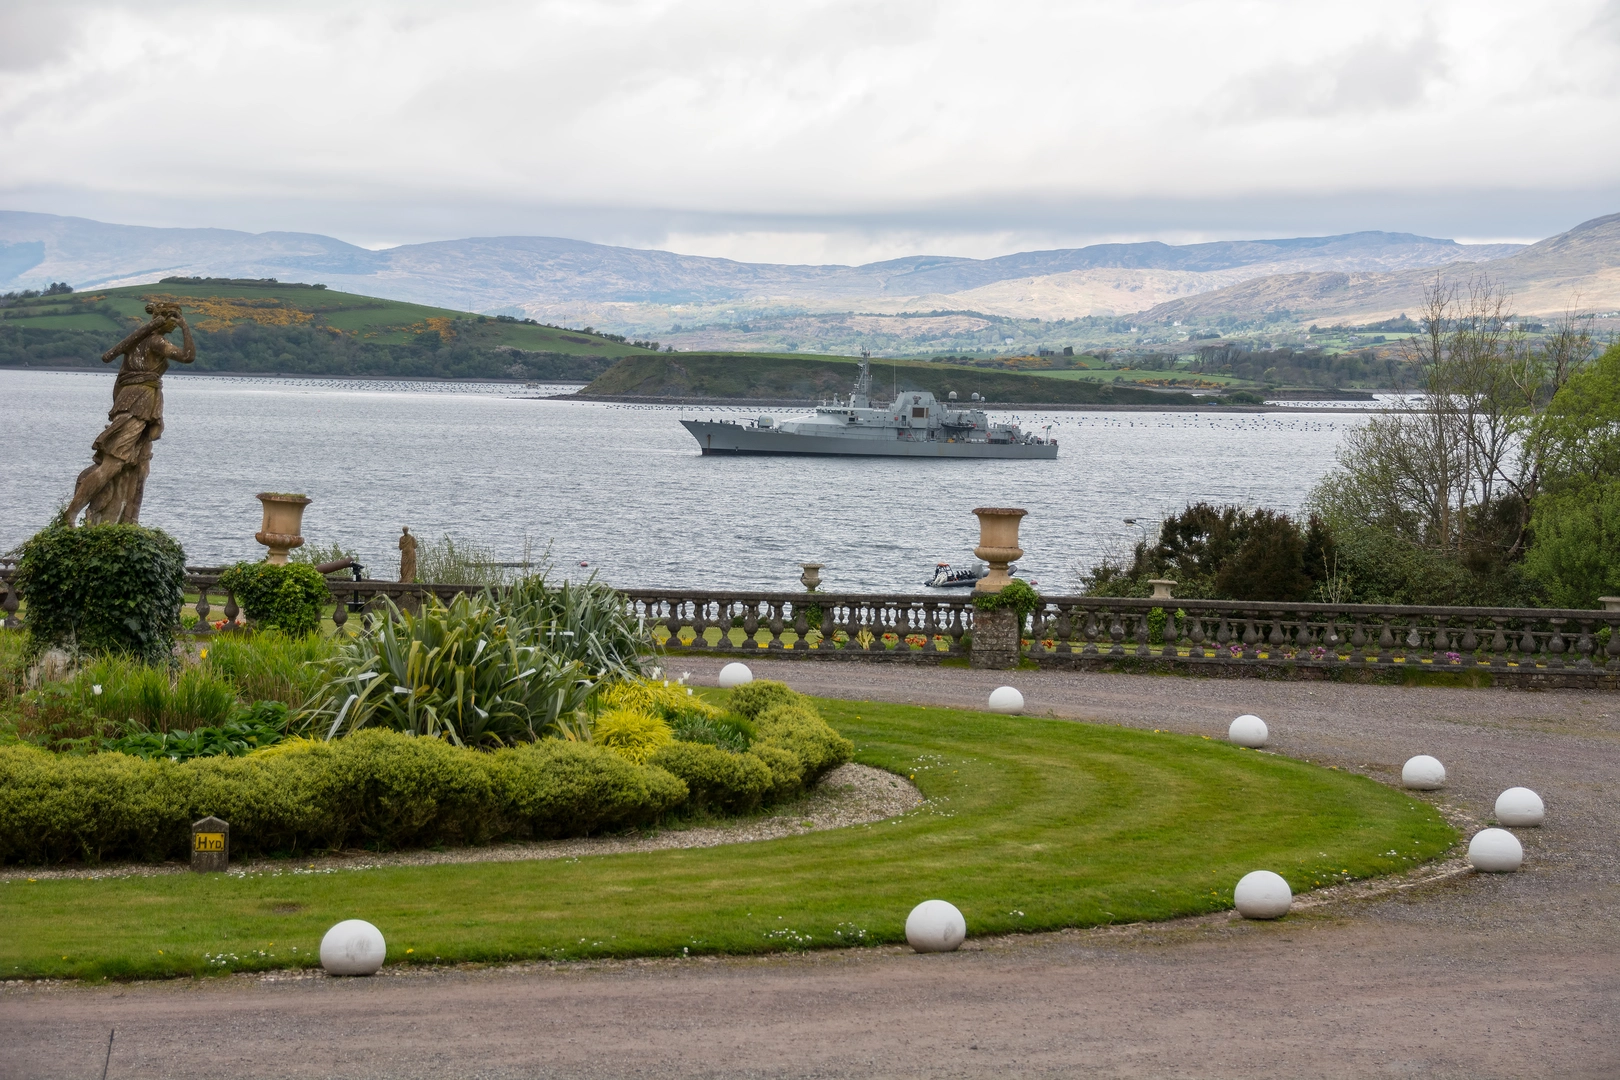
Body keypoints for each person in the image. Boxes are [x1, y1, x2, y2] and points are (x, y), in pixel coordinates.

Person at [64, 301, 195, 525]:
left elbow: (121, 380)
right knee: (112, 465)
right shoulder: (155, 341)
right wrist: (185, 327)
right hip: (137, 404)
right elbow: (188, 356)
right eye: (173, 317)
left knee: (140, 466)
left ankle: (127, 521)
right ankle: (71, 513)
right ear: (162, 318)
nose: (175, 322)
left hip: (137, 402)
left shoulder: (138, 340)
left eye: (178, 317)